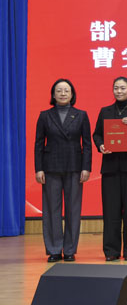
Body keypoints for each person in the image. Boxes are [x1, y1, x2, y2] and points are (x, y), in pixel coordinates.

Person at [92, 76, 127, 261]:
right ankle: (111, 251)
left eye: (123, 88)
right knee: (111, 212)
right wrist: (101, 145)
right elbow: (97, 134)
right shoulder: (105, 111)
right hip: (110, 168)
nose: (119, 91)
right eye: (116, 88)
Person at [34, 79, 91, 262]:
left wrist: (86, 167)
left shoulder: (81, 115)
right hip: (51, 167)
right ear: (53, 94)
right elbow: (38, 144)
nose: (63, 93)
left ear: (72, 94)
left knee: (73, 209)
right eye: (59, 90)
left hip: (74, 166)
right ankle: (54, 249)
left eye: (66, 90)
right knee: (52, 209)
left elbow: (87, 144)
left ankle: (69, 250)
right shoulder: (45, 116)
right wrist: (39, 169)